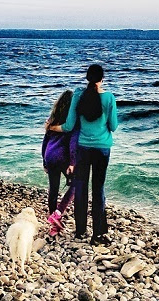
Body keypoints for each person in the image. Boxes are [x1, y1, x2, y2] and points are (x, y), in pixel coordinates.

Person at [50, 64, 118, 246]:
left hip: (82, 149)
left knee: (80, 188)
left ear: (87, 78)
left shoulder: (78, 95)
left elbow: (69, 126)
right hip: (102, 149)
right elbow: (113, 126)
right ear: (102, 78)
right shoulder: (109, 98)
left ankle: (80, 231)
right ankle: (98, 234)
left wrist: (52, 127)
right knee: (98, 189)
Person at [42, 90, 78, 236]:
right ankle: (58, 211)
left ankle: (54, 227)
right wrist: (73, 162)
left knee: (53, 190)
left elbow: (45, 142)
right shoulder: (71, 122)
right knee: (77, 184)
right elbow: (72, 143)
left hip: (50, 156)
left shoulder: (52, 119)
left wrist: (44, 160)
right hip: (62, 157)